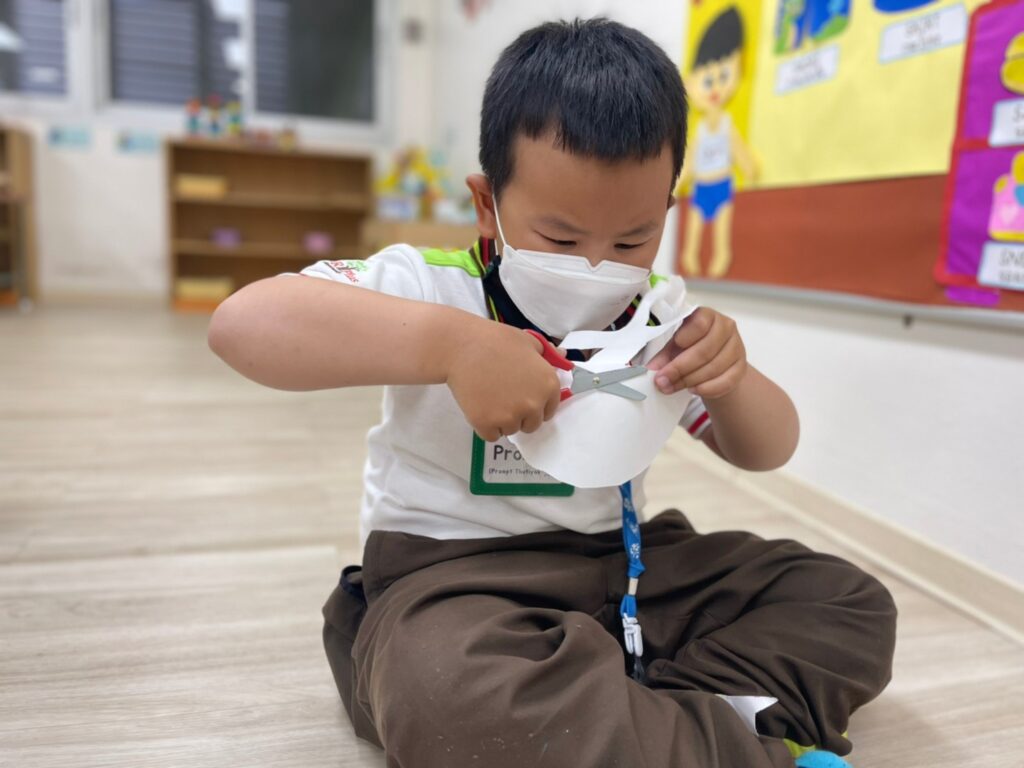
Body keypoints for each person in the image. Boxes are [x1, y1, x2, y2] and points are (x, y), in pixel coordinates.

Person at [208, 18, 896, 768]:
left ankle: (650, 720)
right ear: (487, 205)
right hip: (455, 577)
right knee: (445, 688)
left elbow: (766, 449)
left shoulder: (657, 308)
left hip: (626, 566)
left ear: (666, 214)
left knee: (847, 601)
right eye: (562, 240)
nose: (598, 266)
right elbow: (243, 325)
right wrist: (450, 345)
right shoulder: (431, 285)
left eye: (631, 239)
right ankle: (722, 737)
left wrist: (731, 378)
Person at [680, 7, 760, 279]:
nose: (715, 87)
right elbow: (691, 158)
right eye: (707, 79)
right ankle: (690, 255)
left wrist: (748, 167)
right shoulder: (700, 129)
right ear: (690, 83)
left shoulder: (727, 125)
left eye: (723, 76)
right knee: (694, 228)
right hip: (700, 187)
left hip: (722, 185)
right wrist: (679, 182)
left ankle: (722, 255)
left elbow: (737, 148)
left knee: (722, 231)